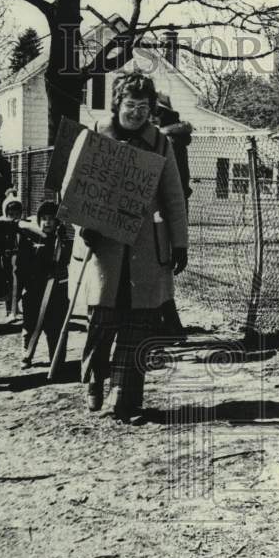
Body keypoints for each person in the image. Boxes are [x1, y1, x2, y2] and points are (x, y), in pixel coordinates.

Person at [75, 72, 188, 421]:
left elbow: (173, 195)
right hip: (104, 245)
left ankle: (126, 395)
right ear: (117, 105)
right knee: (102, 319)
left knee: (139, 322)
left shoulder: (160, 143)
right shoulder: (96, 136)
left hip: (145, 248)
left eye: (143, 106)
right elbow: (76, 187)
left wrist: (179, 242)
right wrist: (84, 228)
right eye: (130, 105)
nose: (136, 113)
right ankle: (94, 380)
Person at [154, 91, 193, 339]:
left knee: (162, 264)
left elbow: (174, 183)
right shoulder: (167, 139)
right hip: (166, 207)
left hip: (166, 210)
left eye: (157, 112)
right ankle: (167, 322)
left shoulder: (169, 142)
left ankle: (170, 324)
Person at [16, 200, 72, 368]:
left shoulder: (61, 241)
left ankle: (56, 358)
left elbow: (66, 259)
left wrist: (62, 244)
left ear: (57, 222)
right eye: (44, 218)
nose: (47, 222)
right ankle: (27, 354)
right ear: (39, 220)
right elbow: (22, 265)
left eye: (51, 219)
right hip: (34, 291)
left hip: (56, 292)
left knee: (56, 326)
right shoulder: (31, 239)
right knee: (30, 326)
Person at [0, 191, 24, 320]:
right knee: (7, 285)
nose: (14, 217)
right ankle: (9, 310)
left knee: (18, 284)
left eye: (17, 214)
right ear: (6, 214)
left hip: (19, 260)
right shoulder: (2, 226)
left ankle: (15, 307)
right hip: (5, 260)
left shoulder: (22, 226)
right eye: (11, 214)